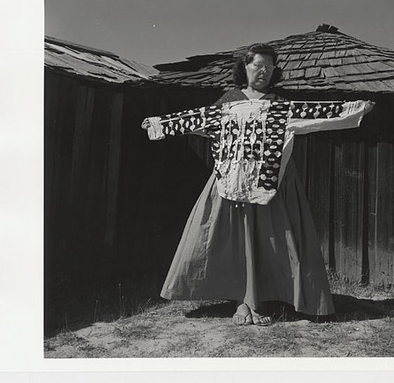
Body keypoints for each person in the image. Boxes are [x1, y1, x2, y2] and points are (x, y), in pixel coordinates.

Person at [141, 43, 374, 326]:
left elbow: (319, 115)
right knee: (236, 240)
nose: (262, 71)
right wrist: (160, 124)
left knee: (267, 240)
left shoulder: (279, 104)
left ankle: (258, 300)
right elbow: (198, 122)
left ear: (275, 71)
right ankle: (242, 302)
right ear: (245, 67)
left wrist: (354, 110)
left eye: (268, 67)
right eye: (257, 65)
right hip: (230, 180)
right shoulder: (229, 101)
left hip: (271, 182)